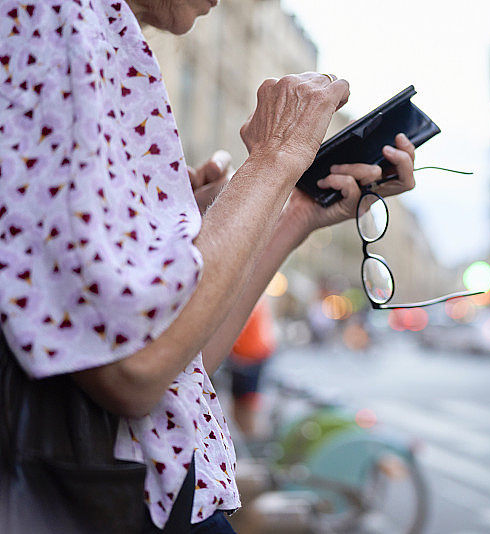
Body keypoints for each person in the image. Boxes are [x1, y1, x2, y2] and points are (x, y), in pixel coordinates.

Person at [0, 0, 416, 531]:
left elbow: (179, 361)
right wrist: (277, 156)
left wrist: (294, 212)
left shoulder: (100, 28)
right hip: (117, 504)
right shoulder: (57, 16)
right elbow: (137, 370)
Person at [228, 296, 276, 439]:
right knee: (241, 408)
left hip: (249, 359)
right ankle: (251, 439)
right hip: (250, 357)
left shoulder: (249, 302)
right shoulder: (255, 301)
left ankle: (252, 441)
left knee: (246, 408)